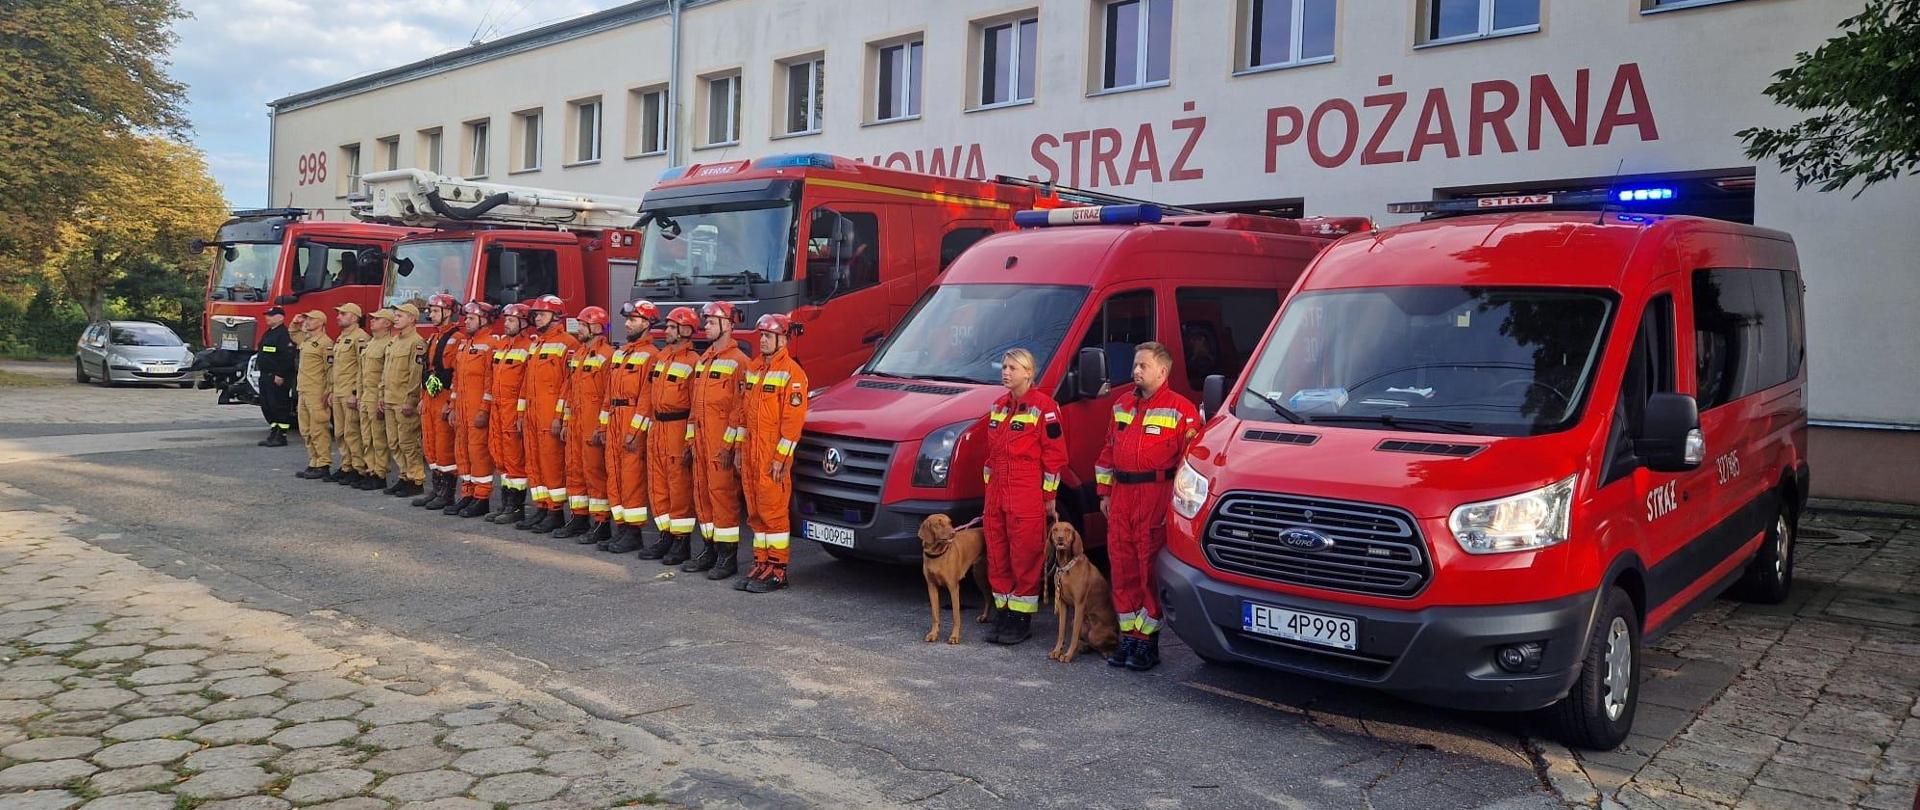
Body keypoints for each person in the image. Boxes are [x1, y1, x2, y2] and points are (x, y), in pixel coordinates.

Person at [1094, 342, 1199, 671]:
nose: (1136, 370)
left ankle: (1147, 644)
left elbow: (1189, 464)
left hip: (1155, 496)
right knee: (1122, 569)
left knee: (1147, 571)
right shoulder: (1122, 405)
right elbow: (1108, 452)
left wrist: (1175, 504)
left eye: (1143, 365)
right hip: (1123, 496)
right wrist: (1104, 492)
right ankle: (1128, 639)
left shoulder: (1183, 411)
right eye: (1135, 365)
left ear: (1162, 371)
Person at [977, 347, 1068, 643]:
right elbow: (991, 454)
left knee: (1025, 555)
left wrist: (1049, 495)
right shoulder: (998, 406)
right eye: (1003, 367)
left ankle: (1020, 619)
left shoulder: (1045, 407)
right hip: (997, 495)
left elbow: (1055, 456)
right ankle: (1004, 612)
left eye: (1012, 368)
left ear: (1029, 372)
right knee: (998, 555)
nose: (1005, 372)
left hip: (1025, 492)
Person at [733, 313, 809, 593]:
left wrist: (781, 459)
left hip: (770, 457)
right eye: (760, 335)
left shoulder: (792, 373)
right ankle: (761, 563)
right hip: (752, 452)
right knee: (755, 512)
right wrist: (740, 449)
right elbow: (743, 414)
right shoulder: (754, 370)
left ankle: (778, 569)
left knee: (774, 513)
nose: (762, 340)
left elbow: (792, 423)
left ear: (782, 339)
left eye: (767, 336)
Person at [686, 301, 750, 579]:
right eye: (706, 321)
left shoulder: (739, 362)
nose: (705, 326)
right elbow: (694, 406)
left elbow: (740, 411)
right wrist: (690, 441)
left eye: (711, 322)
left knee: (723, 498)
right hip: (700, 440)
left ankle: (728, 556)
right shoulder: (703, 360)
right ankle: (709, 548)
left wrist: (729, 447)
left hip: (719, 444)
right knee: (703, 495)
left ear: (728, 324)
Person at [639, 306, 701, 563]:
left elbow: (695, 406)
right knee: (659, 484)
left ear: (686, 331)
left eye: (673, 327)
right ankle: (665, 535)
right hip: (658, 427)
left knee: (678, 487)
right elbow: (648, 396)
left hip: (677, 426)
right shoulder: (662, 357)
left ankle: (681, 541)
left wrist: (689, 440)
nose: (667, 331)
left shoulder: (693, 362)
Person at [517, 294, 580, 533]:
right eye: (536, 314)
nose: (537, 317)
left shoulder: (568, 344)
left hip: (548, 414)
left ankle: (555, 512)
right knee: (535, 462)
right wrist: (521, 414)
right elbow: (526, 382)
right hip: (533, 413)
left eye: (542, 314)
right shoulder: (536, 343)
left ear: (556, 316)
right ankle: (542, 507)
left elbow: (568, 385)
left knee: (552, 464)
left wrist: (558, 416)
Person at [600, 301, 658, 553]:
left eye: (633, 319)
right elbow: (607, 393)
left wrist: (635, 432)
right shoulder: (619, 353)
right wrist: (603, 426)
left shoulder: (651, 355)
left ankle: (634, 533)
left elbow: (647, 400)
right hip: (614, 418)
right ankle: (621, 528)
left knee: (632, 478)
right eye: (627, 319)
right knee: (614, 475)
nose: (627, 323)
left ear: (646, 324)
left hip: (631, 421)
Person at [554, 306, 614, 542]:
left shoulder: (607, 356)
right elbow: (570, 391)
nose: (578, 329)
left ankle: (601, 523)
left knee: (595, 473)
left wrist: (602, 427)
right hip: (577, 422)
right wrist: (565, 420)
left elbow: (608, 396)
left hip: (592, 423)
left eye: (582, 325)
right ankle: (579, 518)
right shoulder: (578, 355)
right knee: (575, 470)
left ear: (597, 328)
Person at [445, 301, 499, 519]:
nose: (465, 321)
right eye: (466, 318)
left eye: (471, 318)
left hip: (476, 410)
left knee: (478, 454)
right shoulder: (465, 345)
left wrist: (484, 410)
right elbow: (456, 380)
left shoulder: (490, 345)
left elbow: (490, 382)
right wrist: (452, 406)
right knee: (463, 453)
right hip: (462, 410)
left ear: (484, 320)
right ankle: (467, 494)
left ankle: (481, 498)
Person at [486, 303, 534, 524]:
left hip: (513, 409)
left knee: (515, 459)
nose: (506, 323)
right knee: (501, 457)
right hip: (498, 409)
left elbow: (527, 384)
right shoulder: (502, 346)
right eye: (506, 319)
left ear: (524, 323)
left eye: (512, 320)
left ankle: (516, 507)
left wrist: (521, 414)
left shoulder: (528, 348)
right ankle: (506, 503)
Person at [415, 294, 464, 509]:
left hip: (443, 396)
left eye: (435, 311)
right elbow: (428, 370)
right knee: (430, 445)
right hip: (430, 396)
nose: (430, 315)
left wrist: (451, 403)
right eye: (430, 311)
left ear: (447, 312)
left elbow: (456, 374)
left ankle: (447, 493)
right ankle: (436, 489)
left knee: (445, 446)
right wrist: (422, 398)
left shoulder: (457, 338)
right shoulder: (433, 338)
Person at [381, 303, 429, 499]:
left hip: (403, 401)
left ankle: (416, 479)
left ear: (412, 318)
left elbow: (415, 375)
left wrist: (411, 400)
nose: (396, 318)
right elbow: (385, 371)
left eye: (400, 315)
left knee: (408, 442)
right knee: (394, 442)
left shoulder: (416, 343)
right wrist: (381, 395)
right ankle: (404, 476)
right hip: (390, 398)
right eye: (395, 315)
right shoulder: (393, 341)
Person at [328, 303, 371, 487]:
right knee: (340, 433)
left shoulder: (360, 338)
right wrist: (331, 390)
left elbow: (363, 369)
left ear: (354, 317)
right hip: (338, 391)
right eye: (338, 313)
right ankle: (347, 465)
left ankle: (359, 467)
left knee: (353, 432)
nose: (338, 317)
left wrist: (355, 393)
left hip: (349, 393)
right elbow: (337, 368)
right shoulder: (341, 338)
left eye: (343, 314)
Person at [356, 309, 396, 491]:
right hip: (365, 395)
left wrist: (381, 397)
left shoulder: (389, 344)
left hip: (376, 396)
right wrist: (358, 395)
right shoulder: (371, 343)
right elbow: (361, 372)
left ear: (387, 324)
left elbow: (386, 375)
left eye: (377, 319)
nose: (371, 321)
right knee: (367, 436)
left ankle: (380, 473)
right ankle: (370, 469)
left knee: (378, 437)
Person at [293, 311, 335, 479]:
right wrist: (296, 322)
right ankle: (313, 461)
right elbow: (294, 334)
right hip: (303, 389)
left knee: (319, 429)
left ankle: (323, 463)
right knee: (306, 429)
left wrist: (329, 390)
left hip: (317, 392)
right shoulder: (307, 340)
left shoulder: (325, 343)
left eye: (311, 319)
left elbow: (330, 370)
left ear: (321, 322)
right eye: (307, 319)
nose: (308, 322)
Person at [255, 307, 296, 447]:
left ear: (280, 318)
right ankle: (274, 431)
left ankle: (281, 435)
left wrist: (280, 374)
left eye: (271, 316)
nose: (267, 318)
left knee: (279, 404)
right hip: (265, 375)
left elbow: (287, 357)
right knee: (267, 405)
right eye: (267, 315)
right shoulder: (269, 333)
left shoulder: (284, 334)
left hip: (277, 377)